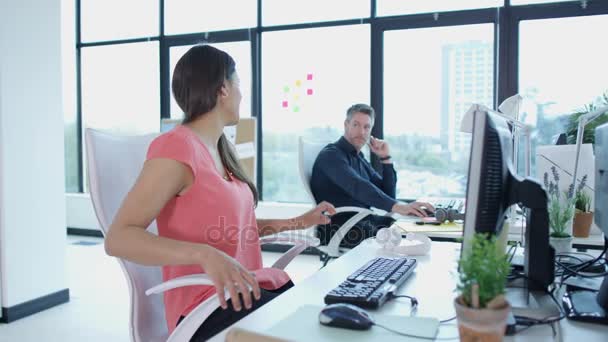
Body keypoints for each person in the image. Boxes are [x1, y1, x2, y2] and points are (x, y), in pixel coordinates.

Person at [104, 44, 336, 341]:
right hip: (206, 309)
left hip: (245, 293)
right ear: (223, 88)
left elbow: (236, 230)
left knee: (331, 319)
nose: (242, 94)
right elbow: (119, 237)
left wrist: (300, 222)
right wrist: (204, 254)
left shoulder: (220, 150)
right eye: (238, 84)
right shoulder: (176, 148)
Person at [310, 103, 433, 248]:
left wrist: (386, 159)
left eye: (366, 127)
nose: (361, 132)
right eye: (356, 125)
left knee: (418, 228)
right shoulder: (331, 155)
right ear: (346, 125)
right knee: (407, 238)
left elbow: (387, 193)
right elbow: (357, 186)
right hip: (340, 230)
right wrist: (399, 206)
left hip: (363, 222)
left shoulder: (358, 157)